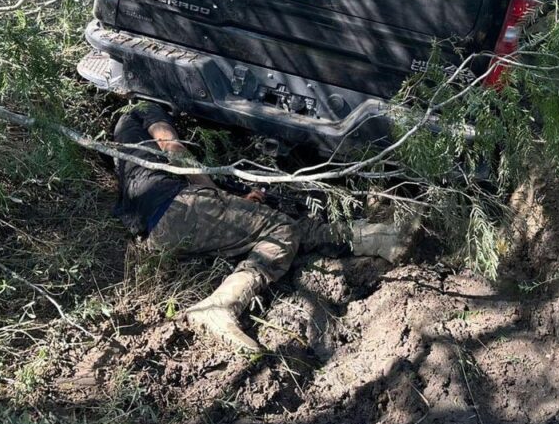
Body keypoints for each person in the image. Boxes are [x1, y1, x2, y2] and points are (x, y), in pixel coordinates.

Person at [112, 102, 410, 353]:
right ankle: (220, 306)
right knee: (280, 229)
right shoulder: (142, 109)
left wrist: (238, 205)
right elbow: (172, 147)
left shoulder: (124, 147)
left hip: (160, 233)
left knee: (271, 229)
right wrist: (221, 196)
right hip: (179, 206)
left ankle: (372, 238)